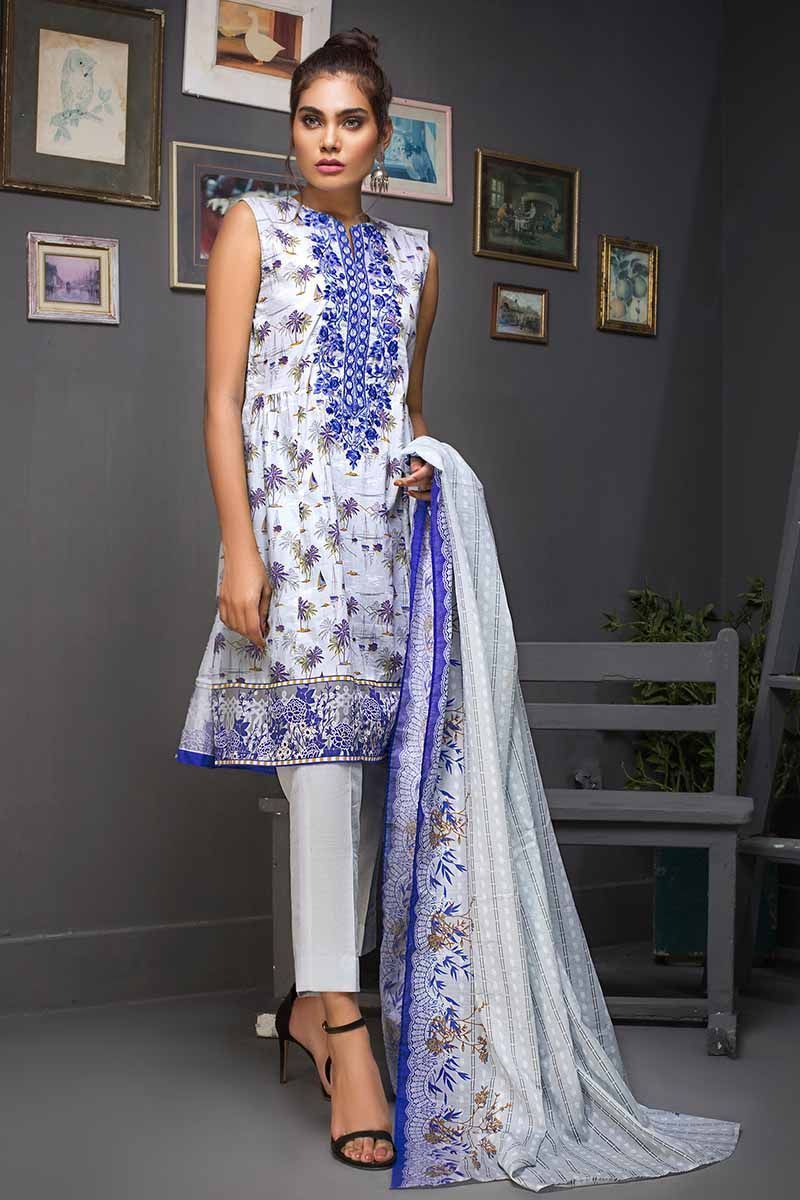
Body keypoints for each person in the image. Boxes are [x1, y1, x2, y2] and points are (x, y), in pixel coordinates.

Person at [175, 26, 438, 1171]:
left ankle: (312, 1008)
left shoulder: (416, 259)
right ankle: (346, 1031)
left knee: (366, 783)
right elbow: (219, 403)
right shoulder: (253, 226)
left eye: (350, 121)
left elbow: (405, 411)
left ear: (381, 137)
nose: (327, 140)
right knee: (320, 774)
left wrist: (422, 465)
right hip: (288, 554)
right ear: (291, 131)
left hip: (383, 555)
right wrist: (240, 550)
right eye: (309, 119)